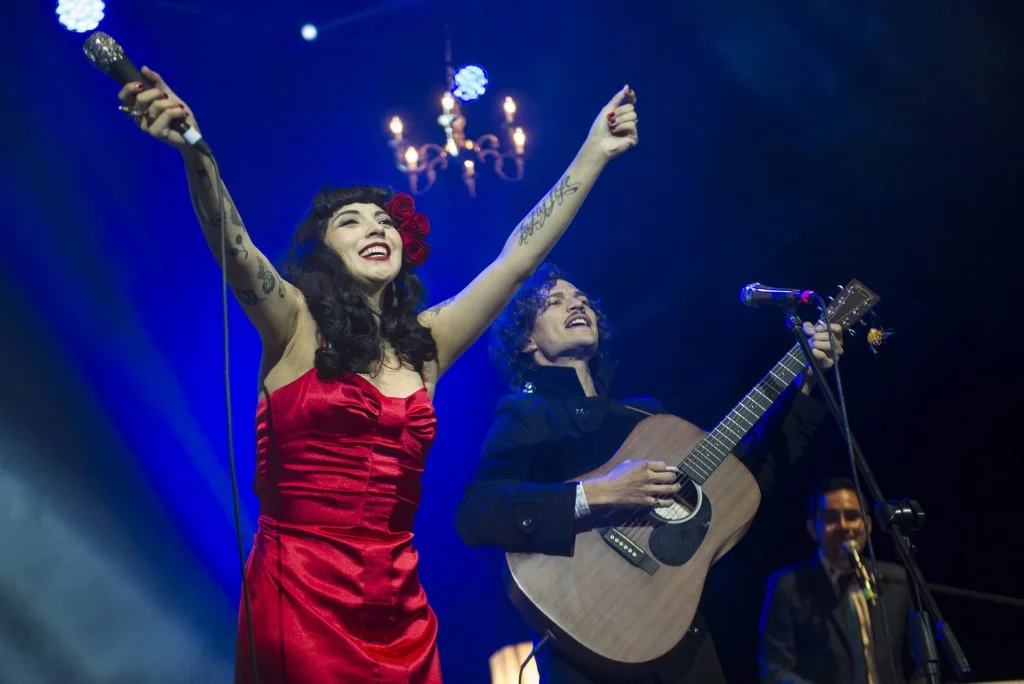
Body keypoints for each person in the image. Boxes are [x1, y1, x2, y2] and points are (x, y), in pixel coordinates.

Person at [115, 66, 639, 683]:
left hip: (398, 605)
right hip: (300, 596)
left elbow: (518, 258)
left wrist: (592, 153)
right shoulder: (293, 323)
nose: (377, 227)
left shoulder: (426, 344)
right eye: (353, 220)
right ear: (324, 249)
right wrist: (196, 151)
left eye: (385, 220)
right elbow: (233, 246)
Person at [455, 264, 844, 684]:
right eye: (554, 301)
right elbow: (478, 513)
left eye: (582, 297)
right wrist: (597, 494)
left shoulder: (647, 414)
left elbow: (739, 486)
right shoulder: (526, 416)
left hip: (678, 641)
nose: (576, 303)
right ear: (527, 340)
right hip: (584, 642)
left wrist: (804, 387)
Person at [758, 477, 919, 684]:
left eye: (852, 516)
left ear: (868, 525)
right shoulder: (788, 585)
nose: (843, 526)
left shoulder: (895, 580)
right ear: (812, 528)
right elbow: (774, 669)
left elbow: (920, 665)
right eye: (830, 518)